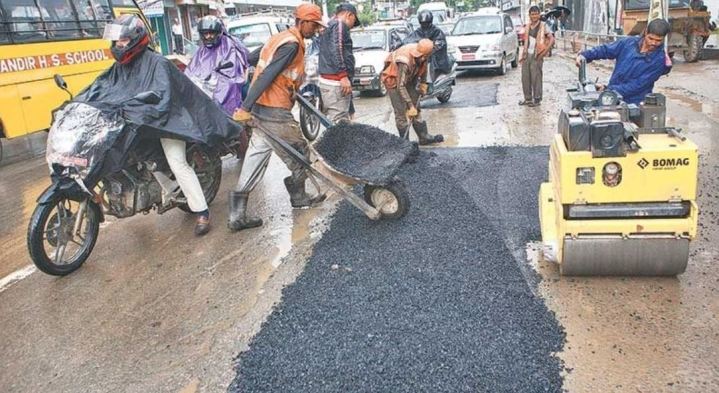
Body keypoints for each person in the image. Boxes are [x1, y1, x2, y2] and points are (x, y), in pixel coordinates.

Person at [89, 15, 243, 236]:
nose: (118, 45)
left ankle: (202, 212)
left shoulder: (158, 63)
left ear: (134, 39)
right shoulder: (120, 67)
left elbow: (164, 98)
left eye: (122, 41)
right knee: (135, 156)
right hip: (141, 122)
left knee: (177, 162)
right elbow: (104, 87)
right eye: (116, 42)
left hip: (170, 122)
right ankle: (167, 190)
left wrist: (143, 109)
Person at [229, 3, 326, 232]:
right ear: (302, 22)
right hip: (275, 110)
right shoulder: (292, 45)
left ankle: (236, 215)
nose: (316, 30)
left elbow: (255, 60)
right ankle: (299, 196)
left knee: (256, 156)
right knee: (301, 151)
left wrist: (286, 86)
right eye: (314, 25)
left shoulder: (279, 38)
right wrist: (245, 106)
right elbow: (269, 73)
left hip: (262, 109)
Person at [575, 18, 672, 105]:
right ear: (646, 32)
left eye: (658, 40)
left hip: (635, 104)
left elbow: (638, 85)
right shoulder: (628, 43)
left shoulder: (659, 60)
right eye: (651, 38)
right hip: (612, 98)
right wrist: (585, 55)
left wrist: (609, 90)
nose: (653, 43)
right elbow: (606, 50)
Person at [381, 39, 444, 145]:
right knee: (401, 111)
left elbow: (423, 67)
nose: (423, 58)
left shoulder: (424, 54)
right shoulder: (404, 61)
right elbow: (401, 86)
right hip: (393, 80)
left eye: (425, 57)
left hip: (410, 78)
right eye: (421, 57)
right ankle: (405, 142)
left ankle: (423, 137)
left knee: (416, 107)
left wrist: (423, 83)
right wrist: (410, 106)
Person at [186, 15, 249, 115]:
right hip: (205, 90)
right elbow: (191, 71)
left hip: (224, 86)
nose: (208, 37)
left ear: (219, 32)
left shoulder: (229, 45)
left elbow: (231, 75)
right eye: (205, 34)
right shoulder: (202, 50)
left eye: (211, 33)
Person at [317, 3, 359, 124]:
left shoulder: (329, 25)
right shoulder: (339, 24)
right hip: (336, 82)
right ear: (349, 15)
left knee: (338, 121)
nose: (351, 27)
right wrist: (343, 76)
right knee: (339, 124)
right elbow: (337, 48)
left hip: (331, 81)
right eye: (353, 21)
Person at [519, 5, 554, 107]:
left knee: (536, 78)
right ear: (529, 15)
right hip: (526, 55)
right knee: (525, 77)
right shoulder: (528, 26)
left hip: (537, 55)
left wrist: (544, 52)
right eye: (532, 14)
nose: (534, 16)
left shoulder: (543, 25)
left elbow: (551, 39)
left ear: (539, 14)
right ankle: (528, 99)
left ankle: (537, 99)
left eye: (536, 14)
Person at [403, 10, 451, 80]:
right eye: (423, 23)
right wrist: (402, 44)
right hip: (419, 57)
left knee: (431, 63)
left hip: (434, 59)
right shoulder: (418, 32)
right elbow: (408, 40)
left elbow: (440, 43)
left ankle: (430, 82)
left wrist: (432, 48)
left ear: (430, 21)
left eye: (426, 23)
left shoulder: (436, 31)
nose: (424, 25)